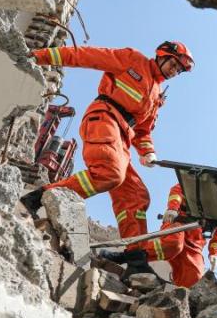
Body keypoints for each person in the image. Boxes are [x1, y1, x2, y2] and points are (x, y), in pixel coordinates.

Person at [19, 41, 194, 243]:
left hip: (122, 138)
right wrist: (39, 56)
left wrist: (148, 152)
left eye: (179, 71)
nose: (174, 71)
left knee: (136, 195)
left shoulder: (156, 96)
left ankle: (135, 255)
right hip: (104, 118)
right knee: (110, 173)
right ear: (162, 55)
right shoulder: (133, 60)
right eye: (173, 65)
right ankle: (37, 198)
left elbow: (143, 131)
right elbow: (86, 55)